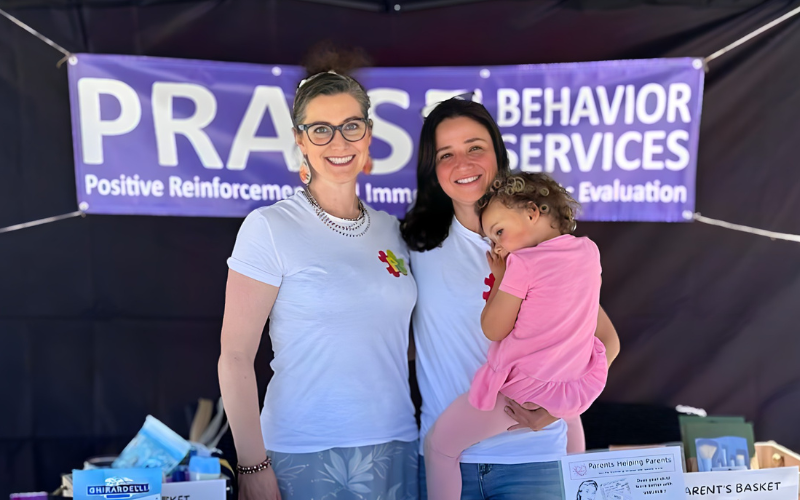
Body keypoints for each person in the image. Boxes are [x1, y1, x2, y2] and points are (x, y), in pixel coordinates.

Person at [401, 98, 620, 500]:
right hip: (452, 465)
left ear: (498, 154)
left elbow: (605, 341)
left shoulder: (535, 247)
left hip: (533, 462)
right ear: (433, 168)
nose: (462, 164)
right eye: (446, 154)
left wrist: (555, 407)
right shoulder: (415, 243)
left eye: (474, 147)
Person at [218, 63, 418, 500]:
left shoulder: (394, 231)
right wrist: (252, 463)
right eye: (321, 130)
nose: (339, 142)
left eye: (350, 126)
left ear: (368, 132)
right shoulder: (269, 226)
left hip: (399, 443)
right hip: (302, 449)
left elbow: (401, 339)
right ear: (300, 138)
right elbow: (234, 357)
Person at [423, 171, 608, 500]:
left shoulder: (521, 264)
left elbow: (493, 328)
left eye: (498, 232)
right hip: (572, 382)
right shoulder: (589, 253)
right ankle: (577, 487)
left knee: (439, 446)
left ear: (532, 213)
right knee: (569, 421)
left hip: (522, 388)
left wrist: (500, 278)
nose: (497, 245)